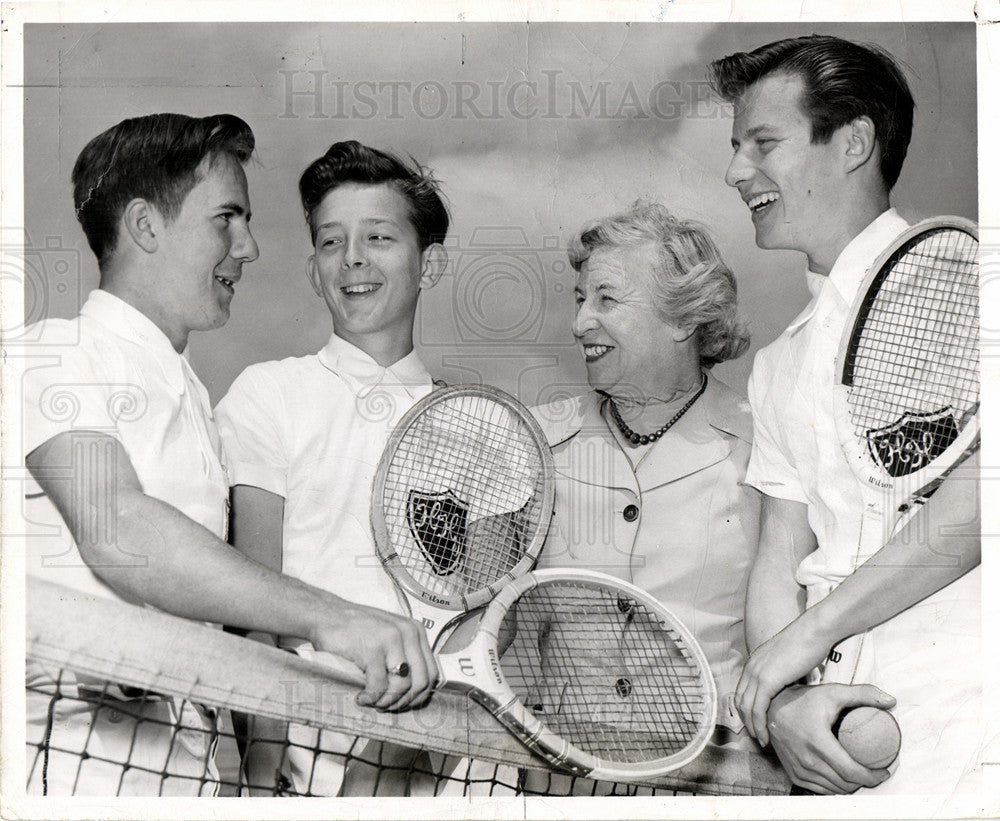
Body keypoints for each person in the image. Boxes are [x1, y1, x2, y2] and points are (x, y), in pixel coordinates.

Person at [22, 115, 435, 797]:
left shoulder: (195, 404)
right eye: (227, 219)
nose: (248, 248)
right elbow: (119, 527)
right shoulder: (53, 351)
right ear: (146, 226)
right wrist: (336, 619)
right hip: (59, 772)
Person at [709, 35, 982, 795]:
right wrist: (788, 699)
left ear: (854, 140)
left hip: (964, 709)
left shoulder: (968, 289)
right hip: (822, 736)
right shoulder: (778, 363)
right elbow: (778, 558)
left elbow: (979, 503)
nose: (735, 171)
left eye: (763, 142)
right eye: (736, 148)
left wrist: (804, 640)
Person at [214, 140, 450, 796]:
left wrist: (394, 762)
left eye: (379, 237)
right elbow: (256, 612)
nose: (353, 260)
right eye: (329, 242)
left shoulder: (478, 424)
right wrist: (262, 779)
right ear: (313, 267)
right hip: (301, 774)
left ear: (430, 266)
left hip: (444, 770)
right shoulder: (267, 393)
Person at [530, 201, 761, 777]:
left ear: (684, 317)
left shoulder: (765, 446)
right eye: (580, 299)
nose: (580, 321)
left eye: (607, 299)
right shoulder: (531, 440)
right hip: (560, 780)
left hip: (711, 781)